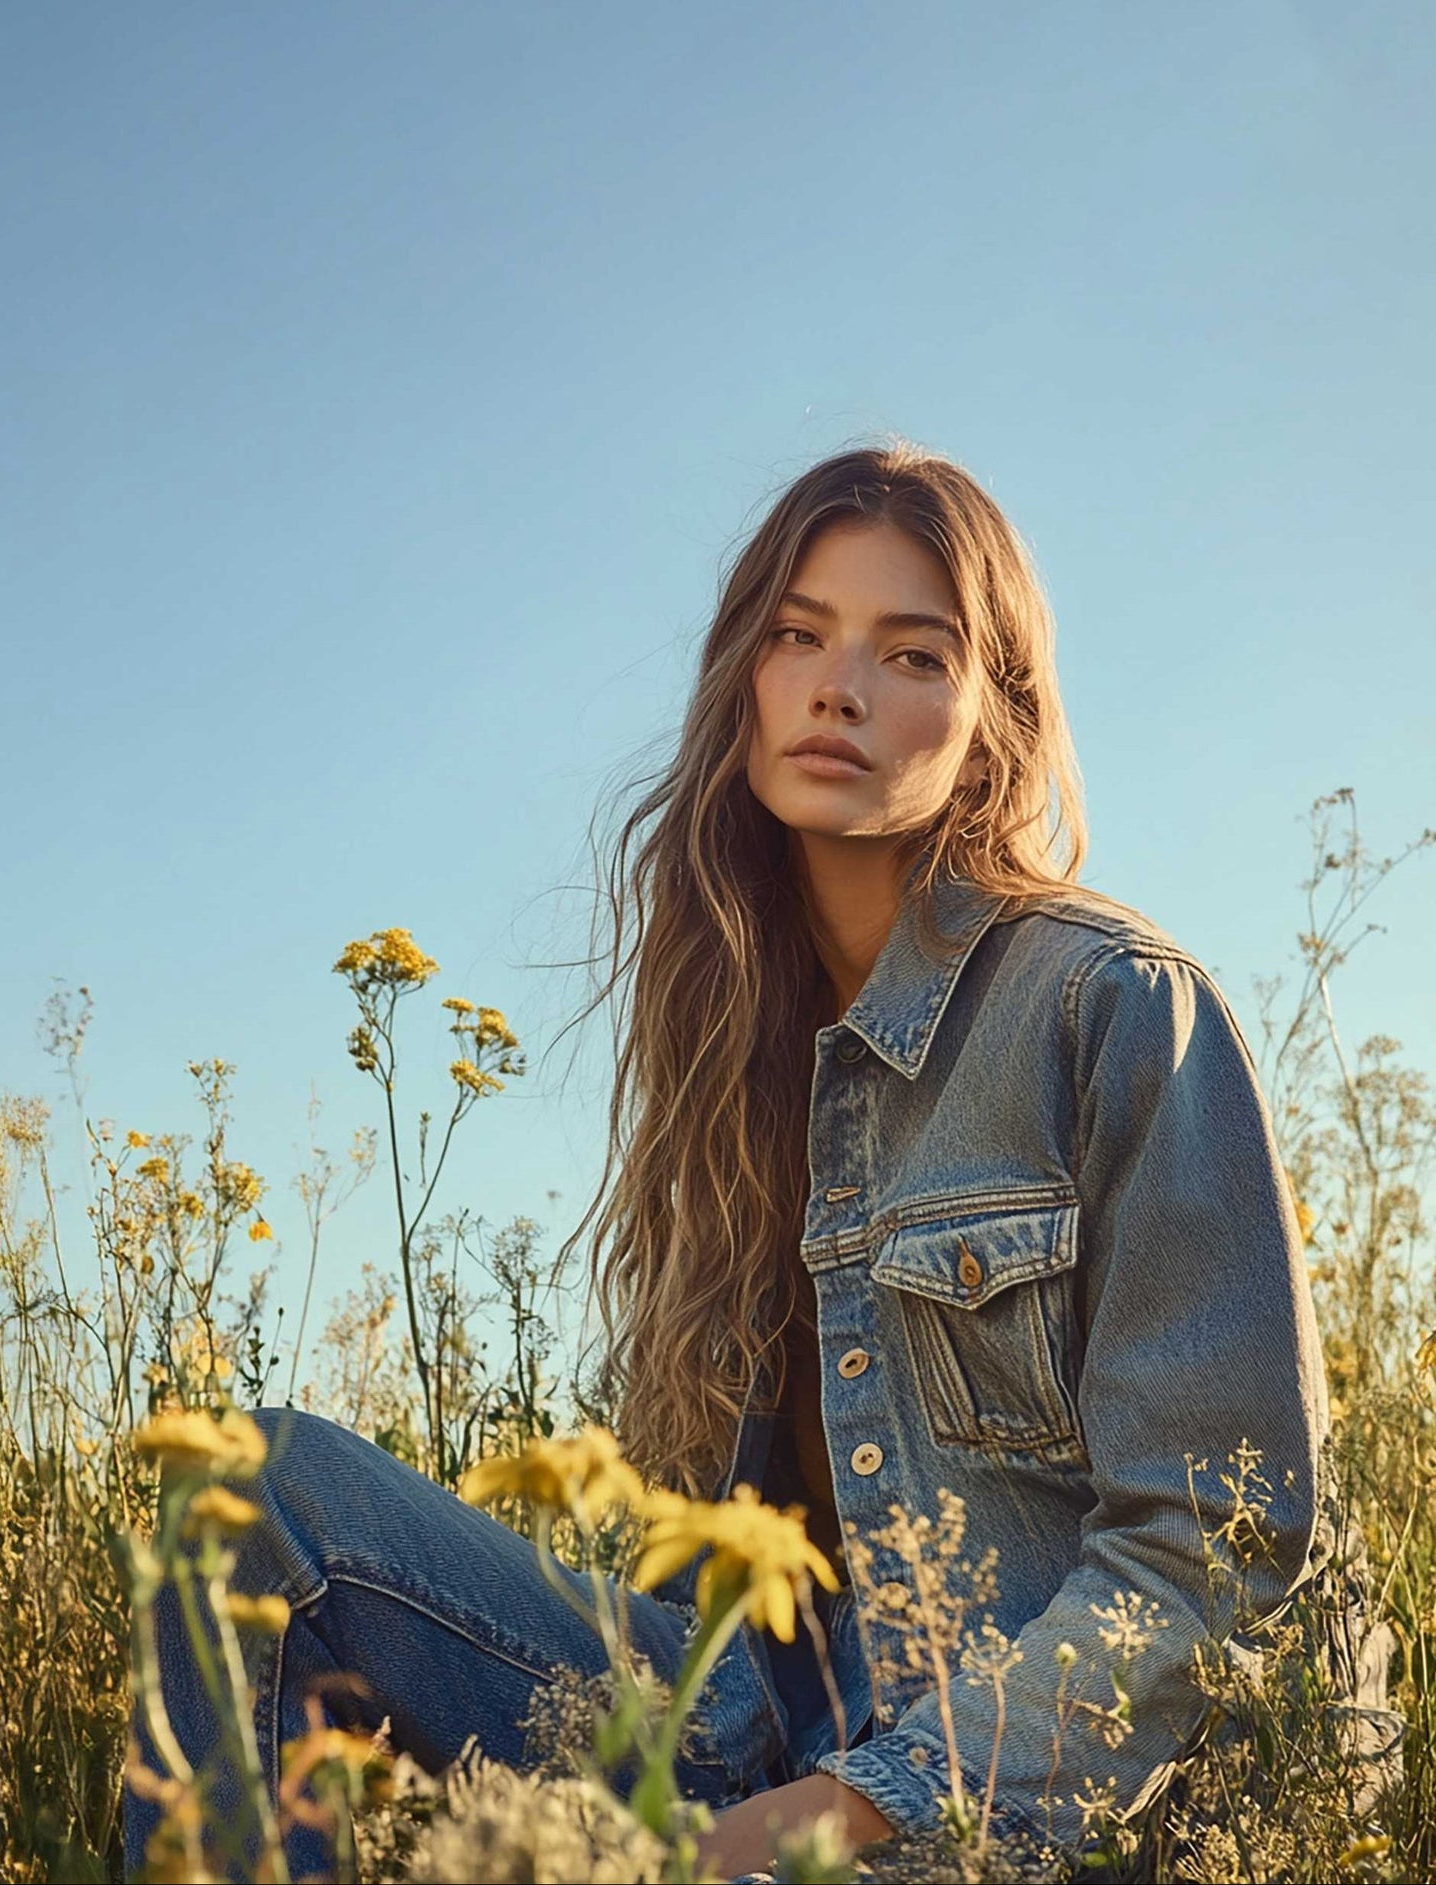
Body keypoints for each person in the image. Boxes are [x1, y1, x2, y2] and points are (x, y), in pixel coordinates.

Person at [123, 441, 1338, 1882]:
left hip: (992, 1796)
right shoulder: (738, 1054)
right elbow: (702, 1551)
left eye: (913, 652)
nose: (841, 687)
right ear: (747, 679)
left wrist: (815, 1816)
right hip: (747, 1724)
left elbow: (1209, 1556)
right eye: (800, 634)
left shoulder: (1116, 1008)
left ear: (992, 716)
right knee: (263, 1500)